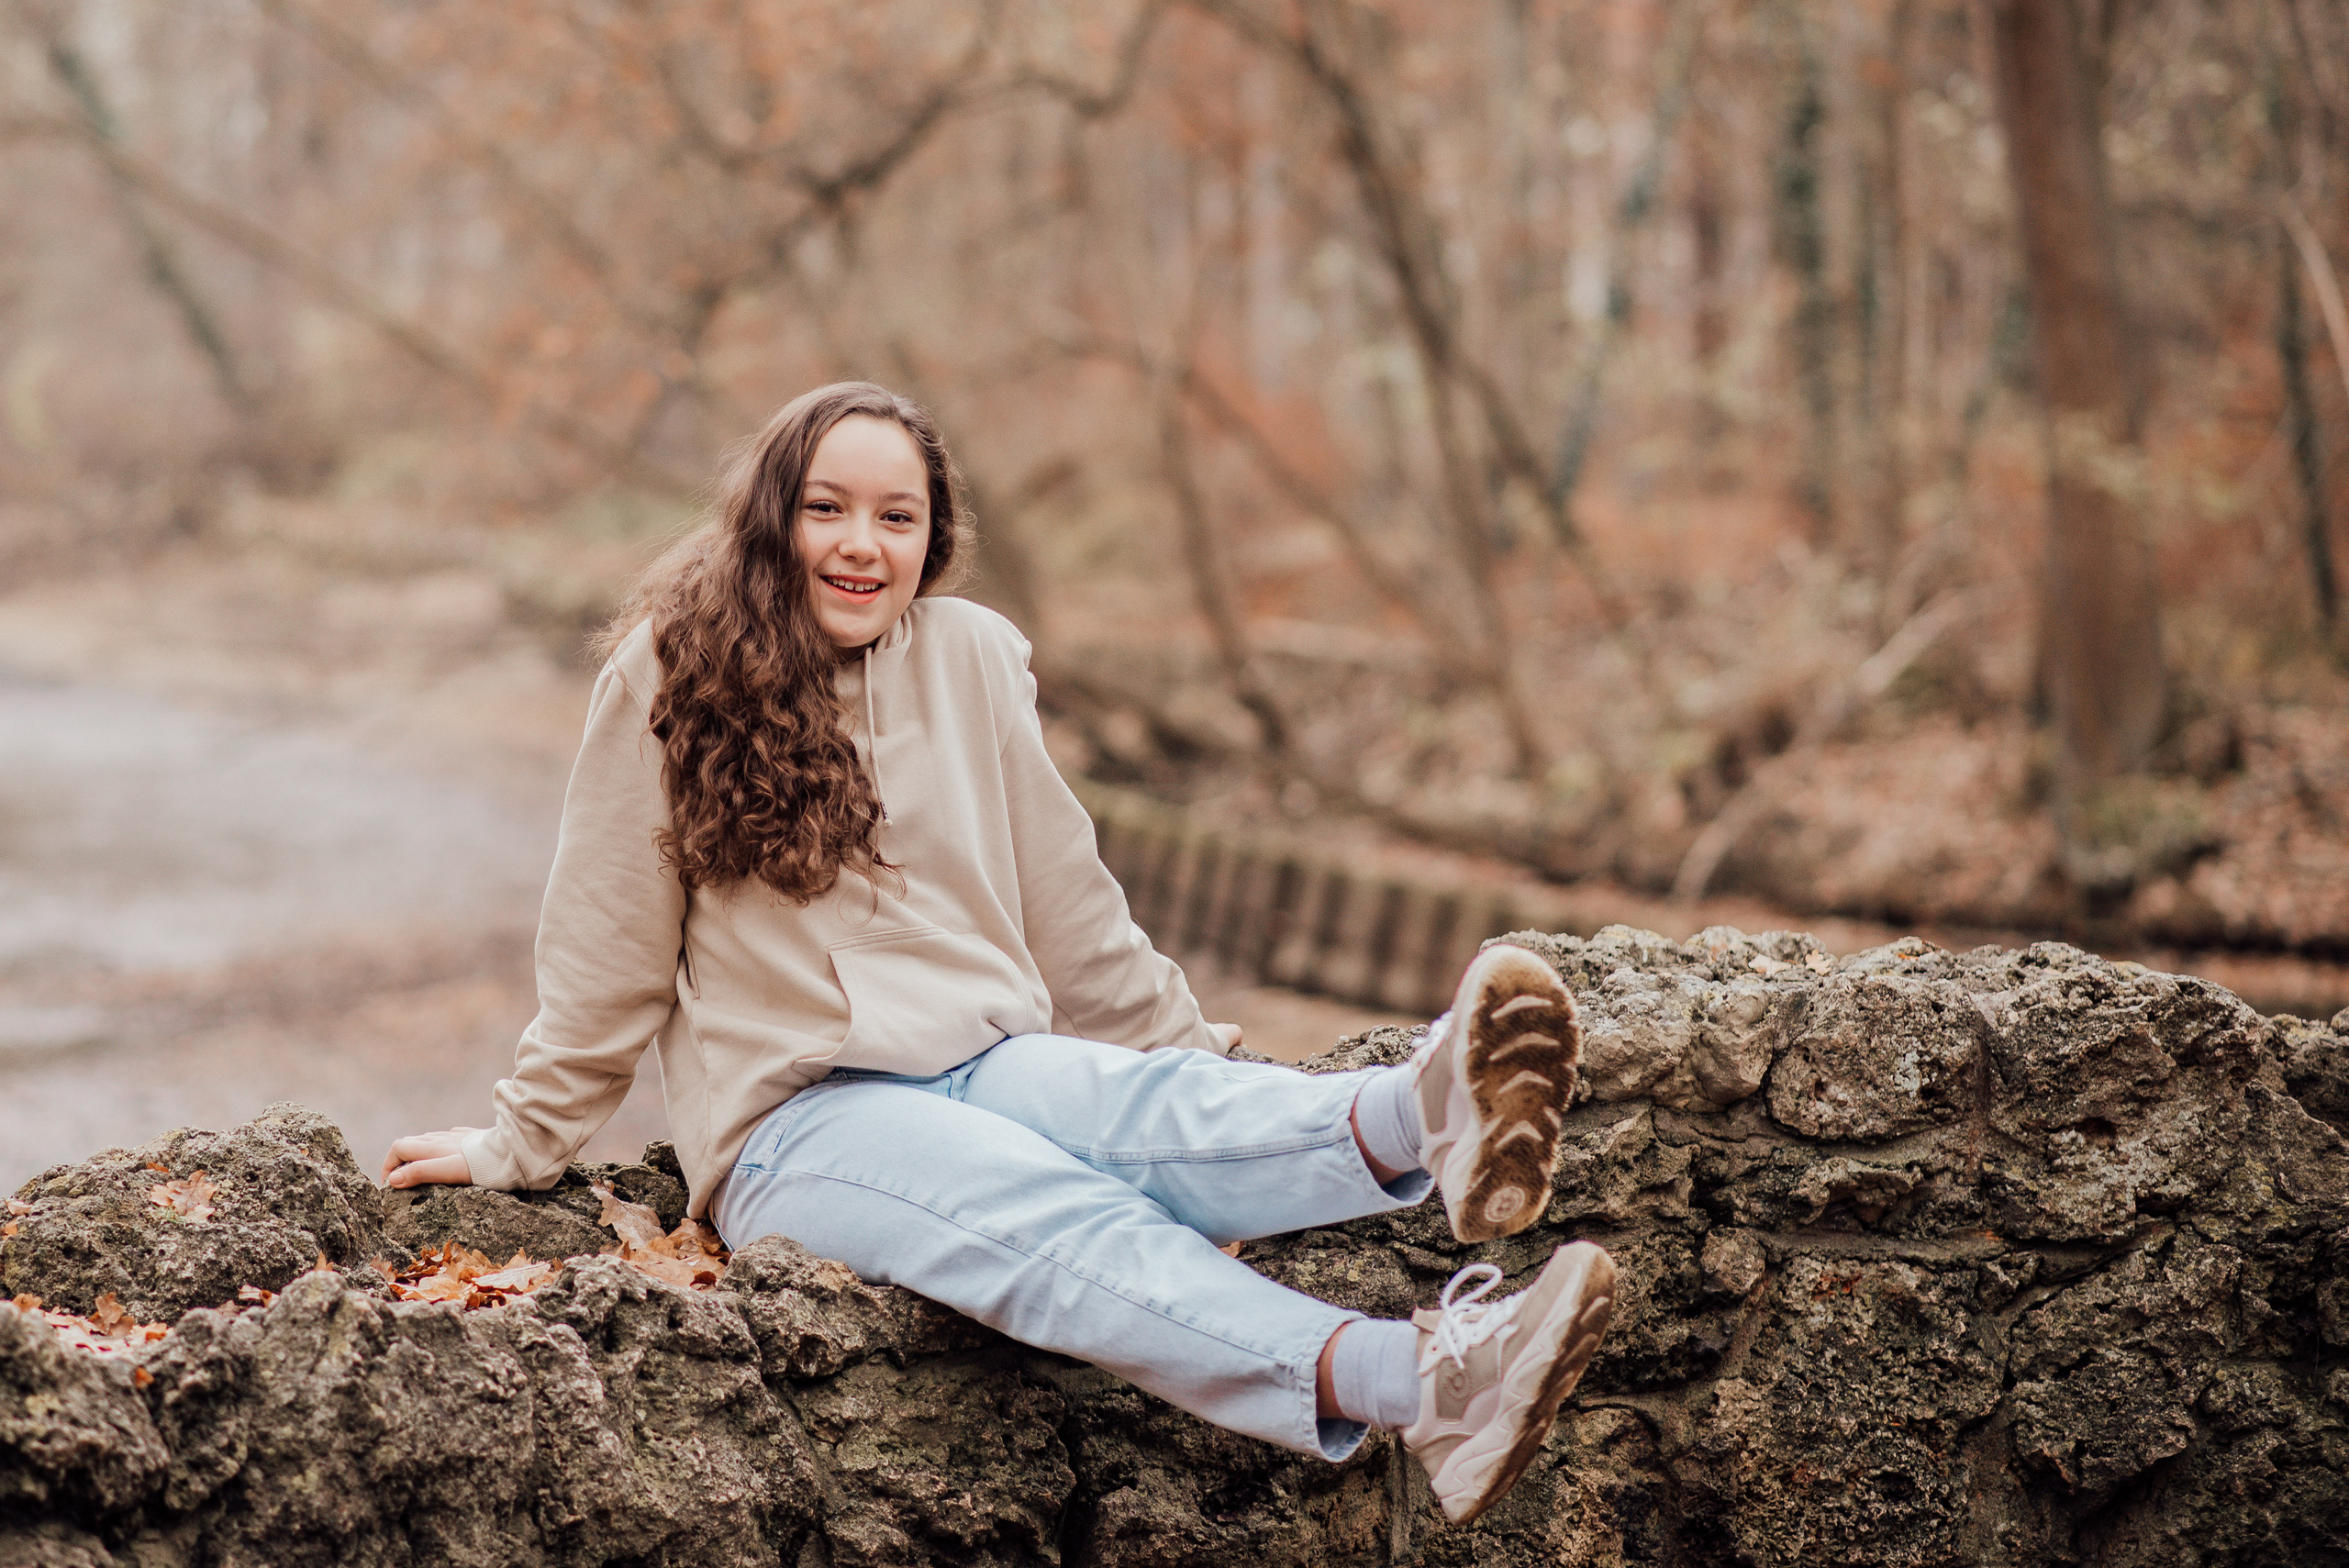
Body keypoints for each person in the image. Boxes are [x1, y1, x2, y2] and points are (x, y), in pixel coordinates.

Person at [383, 382, 1617, 1526]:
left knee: (1146, 1106)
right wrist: (524, 1135)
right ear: (771, 521)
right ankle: (1428, 1384)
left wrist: (1193, 1053)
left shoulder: (969, 657)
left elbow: (1071, 904)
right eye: (827, 509)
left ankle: (1435, 1113)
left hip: (985, 1053)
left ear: (934, 536)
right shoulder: (668, 670)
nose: (862, 542)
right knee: (1055, 1214)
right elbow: (607, 938)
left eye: (896, 515)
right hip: (797, 1123)